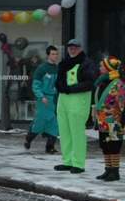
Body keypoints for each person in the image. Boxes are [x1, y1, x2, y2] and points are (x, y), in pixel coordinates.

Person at [53, 39, 98, 174]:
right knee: (65, 133)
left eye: (75, 48)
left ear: (81, 49)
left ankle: (78, 163)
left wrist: (70, 88)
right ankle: (67, 161)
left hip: (78, 101)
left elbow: (90, 83)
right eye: (70, 48)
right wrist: (60, 86)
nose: (72, 50)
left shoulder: (87, 63)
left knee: (77, 133)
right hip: (63, 100)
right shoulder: (65, 63)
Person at [94, 56, 125, 181]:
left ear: (108, 68)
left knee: (114, 146)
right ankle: (108, 169)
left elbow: (123, 104)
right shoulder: (102, 82)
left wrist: (123, 122)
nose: (100, 68)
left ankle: (115, 171)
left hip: (115, 121)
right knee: (104, 146)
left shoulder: (119, 84)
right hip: (102, 121)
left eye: (102, 66)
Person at [24, 46, 59, 154]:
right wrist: (41, 96)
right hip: (44, 98)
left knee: (54, 122)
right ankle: (28, 139)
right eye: (53, 54)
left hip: (55, 98)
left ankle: (50, 147)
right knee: (40, 121)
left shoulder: (58, 69)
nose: (55, 56)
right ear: (48, 55)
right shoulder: (41, 68)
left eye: (56, 54)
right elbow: (36, 85)